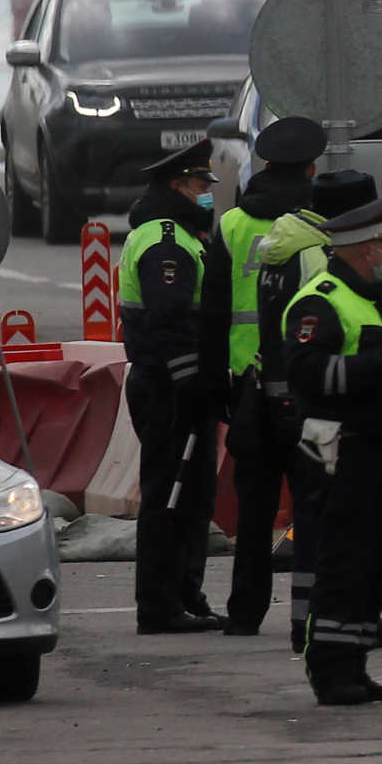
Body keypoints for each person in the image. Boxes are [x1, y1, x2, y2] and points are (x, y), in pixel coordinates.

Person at [285, 195, 382, 705]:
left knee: (372, 569)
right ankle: (330, 670)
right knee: (344, 568)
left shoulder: (373, 300)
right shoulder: (319, 301)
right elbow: (309, 374)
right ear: (360, 248)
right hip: (343, 456)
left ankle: (355, 665)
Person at [252, 167, 379, 653]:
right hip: (317, 407)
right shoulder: (314, 259)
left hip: (274, 390)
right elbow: (319, 334)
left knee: (305, 513)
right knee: (326, 518)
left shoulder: (281, 245)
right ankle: (320, 623)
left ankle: (306, 618)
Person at [218, 115, 324, 635]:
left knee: (254, 507)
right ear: (311, 167)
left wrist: (220, 385)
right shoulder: (317, 225)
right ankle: (313, 615)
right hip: (306, 381)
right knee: (312, 500)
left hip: (247, 381)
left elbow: (212, 310)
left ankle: (244, 613)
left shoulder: (234, 224)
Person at [121, 137, 227, 634]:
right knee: (168, 498)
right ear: (177, 186)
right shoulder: (167, 240)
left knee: (193, 498)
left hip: (180, 385)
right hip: (169, 387)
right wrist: (190, 382)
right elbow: (169, 320)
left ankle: (186, 595)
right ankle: (160, 606)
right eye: (201, 185)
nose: (207, 193)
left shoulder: (183, 234)